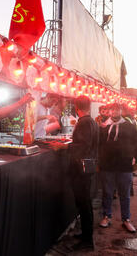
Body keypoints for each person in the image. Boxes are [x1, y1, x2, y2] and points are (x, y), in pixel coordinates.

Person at [50, 96, 99, 251]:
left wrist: (63, 147)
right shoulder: (91, 121)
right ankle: (85, 235)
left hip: (81, 170)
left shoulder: (84, 122)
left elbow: (82, 146)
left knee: (84, 204)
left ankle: (87, 241)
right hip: (86, 168)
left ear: (76, 107)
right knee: (84, 203)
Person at [98, 103, 137, 233]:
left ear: (121, 111)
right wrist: (97, 162)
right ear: (109, 111)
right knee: (107, 193)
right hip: (107, 165)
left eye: (117, 109)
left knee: (125, 194)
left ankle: (126, 219)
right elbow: (98, 145)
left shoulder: (129, 126)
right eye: (112, 109)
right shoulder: (103, 126)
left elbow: (136, 143)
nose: (114, 112)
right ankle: (106, 217)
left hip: (125, 165)